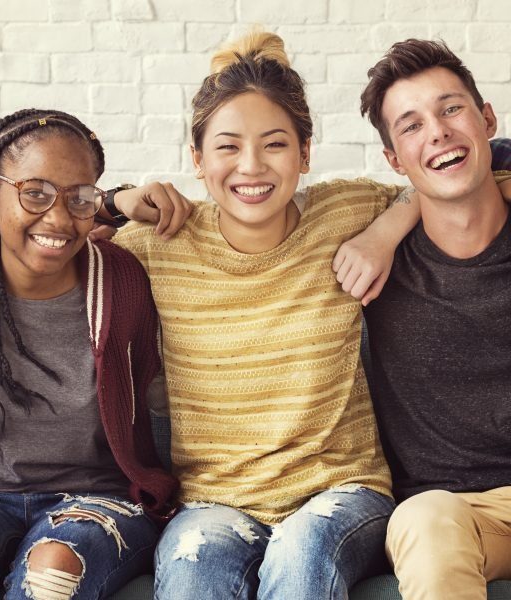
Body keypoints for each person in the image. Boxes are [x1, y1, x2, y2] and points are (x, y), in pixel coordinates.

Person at [107, 30, 425, 600]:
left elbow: (444, 177)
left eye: (274, 144)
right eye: (227, 146)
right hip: (213, 499)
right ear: (197, 161)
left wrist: (385, 231)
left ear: (305, 154)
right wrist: (115, 199)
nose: (250, 166)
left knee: (301, 554)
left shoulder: (345, 211)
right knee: (189, 570)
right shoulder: (160, 241)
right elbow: (51, 223)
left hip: (343, 490)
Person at [0, 108, 179, 600]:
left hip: (99, 502)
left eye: (79, 198)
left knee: (52, 568)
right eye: (34, 193)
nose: (58, 219)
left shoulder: (123, 280)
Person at [357, 39, 511, 600]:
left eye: (451, 109)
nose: (439, 132)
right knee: (426, 523)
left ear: (486, 118)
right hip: (456, 513)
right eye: (411, 125)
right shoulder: (376, 262)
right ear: (395, 160)